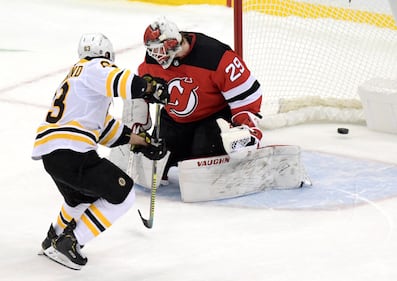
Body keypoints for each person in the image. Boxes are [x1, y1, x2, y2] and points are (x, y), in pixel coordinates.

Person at [32, 33, 168, 270]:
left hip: (52, 153)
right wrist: (150, 87)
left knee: (79, 199)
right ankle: (71, 242)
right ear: (106, 55)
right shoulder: (94, 66)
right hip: (73, 151)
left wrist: (142, 142)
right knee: (123, 195)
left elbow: (106, 129)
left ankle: (54, 236)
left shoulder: (76, 81)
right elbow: (123, 81)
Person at [134, 17, 264, 184]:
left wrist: (247, 125)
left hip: (212, 118)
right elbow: (139, 94)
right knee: (153, 163)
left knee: (202, 159)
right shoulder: (152, 62)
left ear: (172, 43)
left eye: (159, 50)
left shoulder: (215, 56)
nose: (156, 56)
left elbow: (247, 94)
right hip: (174, 121)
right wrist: (138, 130)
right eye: (153, 51)